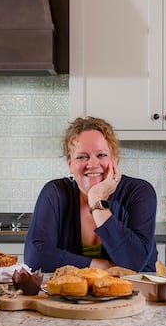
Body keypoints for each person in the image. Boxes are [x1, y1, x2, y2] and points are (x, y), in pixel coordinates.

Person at [24, 116, 158, 273]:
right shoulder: (55, 193)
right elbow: (35, 257)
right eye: (82, 157)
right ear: (70, 164)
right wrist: (101, 267)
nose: (93, 164)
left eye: (101, 155)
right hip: (72, 289)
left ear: (115, 159)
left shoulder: (139, 192)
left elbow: (133, 262)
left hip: (136, 289)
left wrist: (97, 201)